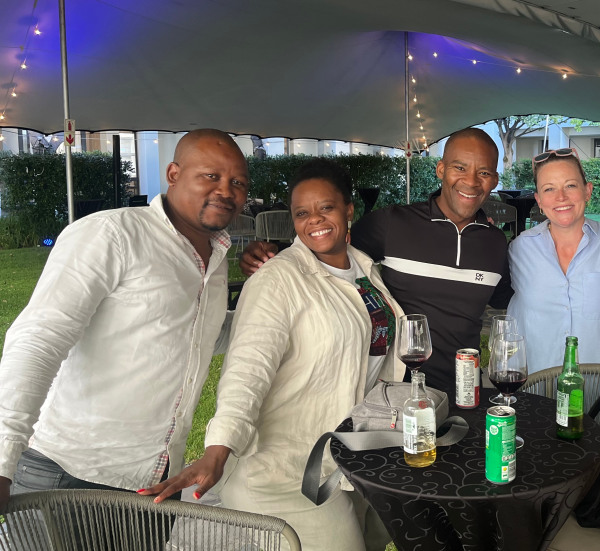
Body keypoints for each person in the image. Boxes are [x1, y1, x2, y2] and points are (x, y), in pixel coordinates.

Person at [141, 159, 405, 551]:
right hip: (284, 471)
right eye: (302, 212)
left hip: (351, 456)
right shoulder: (278, 279)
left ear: (349, 210)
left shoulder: (365, 270)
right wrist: (218, 448)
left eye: (326, 208)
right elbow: (248, 369)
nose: (314, 219)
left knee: (374, 538)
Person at [0, 130, 248, 515]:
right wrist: (2, 461)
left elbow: (200, 335)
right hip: (69, 472)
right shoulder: (112, 234)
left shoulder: (215, 256)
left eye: (237, 182)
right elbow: (39, 339)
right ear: (173, 173)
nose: (226, 190)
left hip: (157, 480)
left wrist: (269, 299)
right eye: (210, 176)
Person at [240, 128, 511, 394]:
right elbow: (328, 248)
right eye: (460, 168)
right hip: (394, 391)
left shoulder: (496, 243)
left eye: (484, 172)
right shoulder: (394, 223)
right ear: (440, 169)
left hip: (465, 388)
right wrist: (272, 253)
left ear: (495, 180)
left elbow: (508, 302)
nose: (472, 181)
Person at [506, 148, 600, 373]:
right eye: (549, 189)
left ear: (587, 191)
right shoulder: (520, 249)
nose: (560, 197)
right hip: (537, 389)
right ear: (539, 200)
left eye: (570, 185)